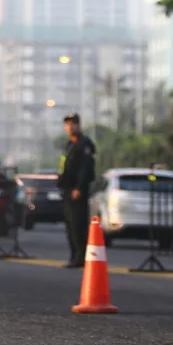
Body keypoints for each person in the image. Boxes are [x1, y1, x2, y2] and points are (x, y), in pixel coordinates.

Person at [57, 113, 97, 268]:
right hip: (67, 189)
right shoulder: (69, 145)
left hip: (77, 191)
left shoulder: (84, 144)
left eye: (73, 124)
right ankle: (74, 255)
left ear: (79, 126)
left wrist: (79, 187)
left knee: (78, 224)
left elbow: (86, 169)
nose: (70, 127)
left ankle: (81, 256)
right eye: (67, 124)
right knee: (70, 225)